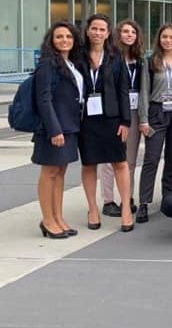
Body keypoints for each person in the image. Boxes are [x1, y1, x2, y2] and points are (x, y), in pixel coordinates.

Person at [78, 14, 134, 233]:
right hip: (86, 119)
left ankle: (126, 208)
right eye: (94, 28)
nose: (98, 33)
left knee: (119, 162)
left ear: (108, 33)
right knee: (89, 164)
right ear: (88, 31)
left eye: (102, 29)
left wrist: (125, 120)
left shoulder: (115, 56)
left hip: (111, 117)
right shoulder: (78, 55)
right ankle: (92, 208)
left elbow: (123, 89)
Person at [33, 21, 84, 239]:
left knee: (60, 172)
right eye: (59, 37)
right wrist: (54, 130)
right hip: (54, 128)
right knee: (50, 172)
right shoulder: (48, 64)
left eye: (68, 37)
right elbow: (44, 99)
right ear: (51, 41)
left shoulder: (70, 63)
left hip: (70, 126)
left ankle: (58, 217)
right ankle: (47, 220)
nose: (65, 40)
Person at [137, 24, 172, 223]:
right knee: (151, 158)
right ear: (159, 39)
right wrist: (143, 119)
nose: (168, 40)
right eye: (165, 37)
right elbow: (143, 91)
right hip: (156, 111)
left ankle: (168, 196)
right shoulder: (151, 61)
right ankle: (144, 201)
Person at [98, 19, 147, 218]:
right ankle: (108, 200)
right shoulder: (110, 58)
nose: (129, 35)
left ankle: (127, 197)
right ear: (118, 34)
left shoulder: (140, 60)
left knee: (130, 158)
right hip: (114, 113)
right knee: (110, 158)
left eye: (133, 32)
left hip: (134, 112)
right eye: (125, 31)